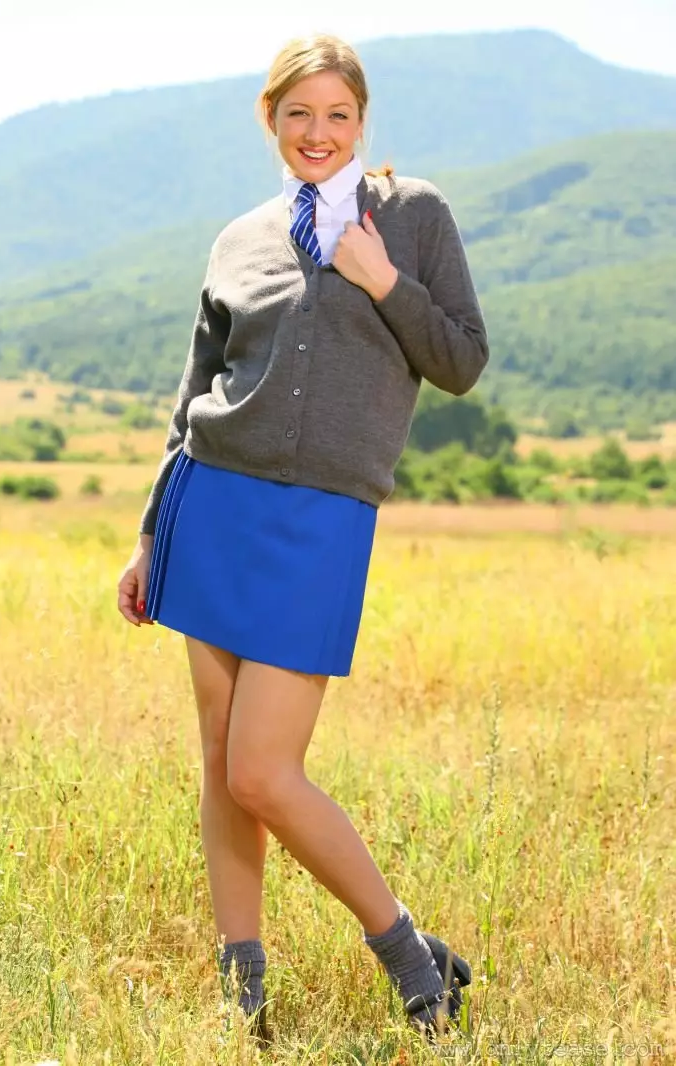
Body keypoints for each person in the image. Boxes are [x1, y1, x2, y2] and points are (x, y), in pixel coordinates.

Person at [117, 32, 488, 1046]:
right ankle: (242, 992)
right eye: (298, 114)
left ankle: (410, 954)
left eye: (337, 115)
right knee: (218, 758)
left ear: (361, 121)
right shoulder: (238, 238)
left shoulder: (412, 214)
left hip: (323, 520)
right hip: (211, 505)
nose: (317, 133)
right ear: (270, 119)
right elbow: (196, 393)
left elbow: (461, 360)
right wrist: (151, 533)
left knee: (263, 771)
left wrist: (382, 279)